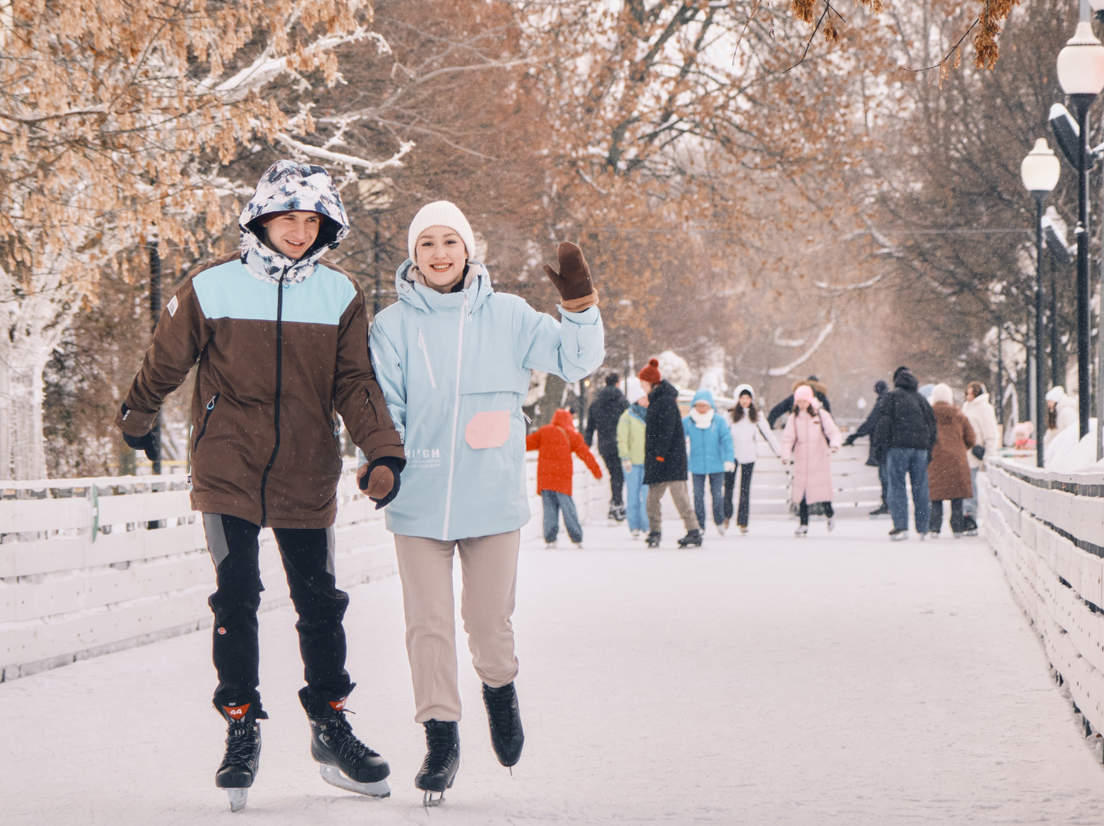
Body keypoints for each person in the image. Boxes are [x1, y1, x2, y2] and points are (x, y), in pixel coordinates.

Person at [114, 161, 406, 810]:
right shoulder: (211, 286)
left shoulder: (339, 295)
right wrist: (138, 411)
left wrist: (383, 450)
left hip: (307, 467)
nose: (299, 231)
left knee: (320, 602)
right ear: (262, 219)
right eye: (287, 218)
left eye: (312, 221)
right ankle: (241, 724)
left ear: (326, 226)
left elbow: (355, 382)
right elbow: (166, 358)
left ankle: (330, 724)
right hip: (229, 466)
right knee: (237, 596)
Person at [366, 200, 604, 805]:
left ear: (468, 249)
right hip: (418, 499)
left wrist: (580, 306)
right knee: (427, 624)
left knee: (487, 620)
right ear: (413, 255)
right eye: (426, 243)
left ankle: (499, 689)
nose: (439, 253)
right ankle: (441, 738)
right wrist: (384, 461)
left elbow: (577, 360)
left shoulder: (510, 316)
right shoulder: (391, 326)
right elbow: (386, 407)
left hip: (491, 496)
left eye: (450, 241)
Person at [638, 358, 702, 548]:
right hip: (660, 460)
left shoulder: (664, 401)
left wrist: (659, 455)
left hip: (670, 460)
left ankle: (693, 531)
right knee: (652, 499)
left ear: (651, 383)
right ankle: (655, 532)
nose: (641, 386)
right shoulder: (657, 400)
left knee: (680, 498)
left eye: (642, 383)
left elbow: (667, 431)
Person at [872, 367, 937, 541]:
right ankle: (923, 528)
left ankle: (901, 527)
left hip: (898, 447)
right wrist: (928, 447)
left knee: (897, 486)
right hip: (920, 449)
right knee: (920, 487)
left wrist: (878, 447)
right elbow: (932, 425)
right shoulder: (921, 399)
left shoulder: (891, 397)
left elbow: (883, 422)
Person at [526, 409, 603, 547]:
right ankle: (577, 538)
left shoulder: (544, 431)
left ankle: (550, 539)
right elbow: (585, 454)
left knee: (549, 510)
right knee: (568, 510)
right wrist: (597, 472)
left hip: (545, 480)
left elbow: (526, 443)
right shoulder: (571, 434)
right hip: (562, 480)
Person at [780, 385, 842, 536]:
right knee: (802, 493)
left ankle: (829, 513)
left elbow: (833, 432)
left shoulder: (820, 414)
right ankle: (803, 524)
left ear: (810, 400)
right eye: (799, 402)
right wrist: (785, 455)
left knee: (822, 490)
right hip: (802, 460)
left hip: (819, 458)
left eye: (804, 401)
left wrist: (834, 445)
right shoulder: (794, 418)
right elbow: (788, 438)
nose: (801, 405)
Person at [725, 384, 780, 534]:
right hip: (732, 455)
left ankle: (743, 521)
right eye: (742, 398)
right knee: (728, 486)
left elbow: (768, 434)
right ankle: (726, 515)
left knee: (745, 489)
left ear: (751, 399)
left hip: (749, 455)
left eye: (747, 398)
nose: (745, 401)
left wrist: (779, 452)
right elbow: (722, 433)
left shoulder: (756, 415)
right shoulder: (730, 415)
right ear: (738, 399)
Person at [682, 389, 735, 536]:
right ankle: (700, 524)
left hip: (716, 464)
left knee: (717, 496)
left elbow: (727, 441)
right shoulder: (688, 421)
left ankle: (719, 520)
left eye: (705, 406)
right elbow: (679, 440)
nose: (702, 409)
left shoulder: (718, 421)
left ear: (710, 406)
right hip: (696, 464)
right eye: (699, 406)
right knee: (698, 496)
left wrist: (729, 459)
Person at [926, 383, 976, 538]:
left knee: (936, 497)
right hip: (957, 461)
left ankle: (934, 528)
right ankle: (957, 529)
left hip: (935, 461)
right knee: (957, 498)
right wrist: (959, 448)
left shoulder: (928, 416)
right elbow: (971, 438)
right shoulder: (959, 415)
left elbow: (923, 438)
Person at [585, 373, 629, 521]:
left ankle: (615, 504)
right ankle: (617, 505)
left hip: (603, 445)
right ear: (617, 383)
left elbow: (590, 427)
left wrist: (587, 444)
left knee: (614, 474)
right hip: (619, 443)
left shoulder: (596, 403)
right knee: (618, 475)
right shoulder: (622, 401)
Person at [843, 379, 890, 516]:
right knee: (890, 477)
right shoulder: (892, 401)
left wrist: (855, 435)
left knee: (885, 477)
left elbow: (870, 422)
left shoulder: (881, 403)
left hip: (883, 446)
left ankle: (887, 505)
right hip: (892, 445)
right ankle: (891, 505)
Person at [961, 381, 1000, 536]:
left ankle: (970, 517)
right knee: (967, 486)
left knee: (971, 486)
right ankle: (967, 517)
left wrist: (989, 453)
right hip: (965, 453)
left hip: (975, 453)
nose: (968, 396)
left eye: (970, 393)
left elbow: (990, 432)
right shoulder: (967, 407)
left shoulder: (984, 408)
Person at [617, 377, 650, 537]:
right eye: (643, 398)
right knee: (633, 495)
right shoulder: (627, 416)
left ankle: (647, 524)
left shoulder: (651, 415)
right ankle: (634, 525)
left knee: (648, 495)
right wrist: (625, 457)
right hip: (632, 462)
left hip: (648, 462)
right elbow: (622, 438)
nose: (646, 401)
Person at [767, 375, 831, 428]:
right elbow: (829, 417)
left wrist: (769, 426)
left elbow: (776, 410)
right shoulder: (822, 397)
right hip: (816, 429)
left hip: (796, 428)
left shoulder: (797, 396)